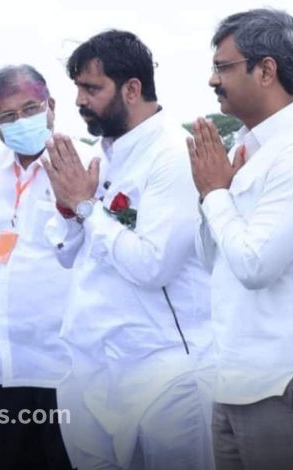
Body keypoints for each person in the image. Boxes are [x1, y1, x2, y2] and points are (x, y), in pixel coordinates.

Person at [43, 31, 214, 469]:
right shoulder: (101, 155)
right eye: (78, 88)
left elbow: (152, 265)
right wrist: (70, 208)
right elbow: (66, 254)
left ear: (132, 89)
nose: (79, 100)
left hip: (164, 371)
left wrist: (86, 207)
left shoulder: (172, 155)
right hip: (92, 365)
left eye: (91, 88)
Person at [188, 9, 293, 470]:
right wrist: (213, 195)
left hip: (282, 388)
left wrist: (216, 194)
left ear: (266, 70)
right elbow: (213, 259)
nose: (213, 80)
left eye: (223, 67)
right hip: (234, 381)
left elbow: (255, 266)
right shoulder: (248, 148)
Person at [0, 64, 82, 469]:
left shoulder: (85, 164)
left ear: (51, 105)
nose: (21, 121)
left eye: (30, 109)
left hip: (69, 369)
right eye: (8, 116)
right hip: (3, 368)